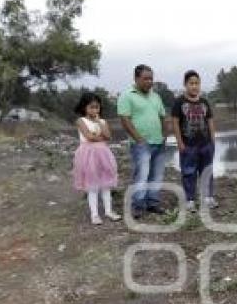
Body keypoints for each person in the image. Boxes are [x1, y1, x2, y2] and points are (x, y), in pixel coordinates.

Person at [117, 64, 168, 217]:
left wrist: (164, 135)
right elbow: (124, 119)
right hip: (141, 144)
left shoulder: (155, 96)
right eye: (146, 78)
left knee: (157, 175)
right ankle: (138, 205)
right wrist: (138, 139)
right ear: (136, 78)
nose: (149, 81)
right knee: (142, 175)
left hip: (158, 142)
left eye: (151, 78)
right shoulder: (127, 95)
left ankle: (153, 203)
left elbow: (163, 116)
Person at [171, 70, 217, 211]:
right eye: (191, 83)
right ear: (185, 84)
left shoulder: (204, 102)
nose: (194, 86)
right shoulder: (179, 102)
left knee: (207, 170)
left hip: (205, 144)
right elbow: (175, 123)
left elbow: (210, 122)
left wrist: (213, 141)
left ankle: (208, 197)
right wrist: (179, 142)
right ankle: (189, 200)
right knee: (189, 172)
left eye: (197, 83)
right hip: (188, 145)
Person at [71, 92, 120, 225]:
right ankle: (94, 214)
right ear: (84, 107)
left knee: (106, 184)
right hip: (88, 155)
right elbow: (89, 137)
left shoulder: (102, 121)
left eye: (97, 107)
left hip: (103, 154)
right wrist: (100, 137)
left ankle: (109, 211)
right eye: (91, 107)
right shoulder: (81, 121)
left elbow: (109, 136)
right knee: (92, 186)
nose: (94, 110)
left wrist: (99, 123)